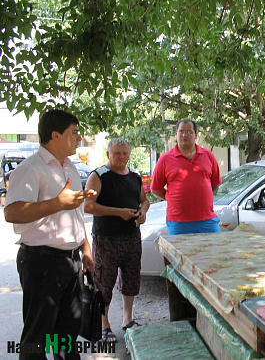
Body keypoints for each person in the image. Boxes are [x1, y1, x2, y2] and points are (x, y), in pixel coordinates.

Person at [4, 110, 97, 360]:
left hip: (71, 261)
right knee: (37, 336)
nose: (79, 138)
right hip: (41, 263)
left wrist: (85, 250)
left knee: (65, 336)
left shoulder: (71, 169)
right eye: (74, 133)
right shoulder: (30, 169)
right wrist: (56, 203)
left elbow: (75, 214)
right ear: (55, 135)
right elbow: (11, 212)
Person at [84, 138, 150, 343]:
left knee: (131, 280)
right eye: (117, 153)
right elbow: (88, 206)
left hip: (131, 237)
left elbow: (144, 200)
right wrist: (117, 213)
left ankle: (127, 319)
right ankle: (104, 325)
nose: (121, 157)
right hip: (106, 240)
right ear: (108, 155)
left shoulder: (135, 176)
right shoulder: (98, 175)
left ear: (129, 154)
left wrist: (143, 212)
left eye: (125, 153)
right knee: (104, 283)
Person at [150, 119, 222, 235]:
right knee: (178, 253)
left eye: (189, 132)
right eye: (181, 132)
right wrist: (174, 198)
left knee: (215, 252)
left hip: (207, 220)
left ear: (196, 135)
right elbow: (155, 189)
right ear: (176, 135)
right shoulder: (165, 159)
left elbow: (214, 184)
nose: (185, 135)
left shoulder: (208, 156)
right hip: (178, 222)